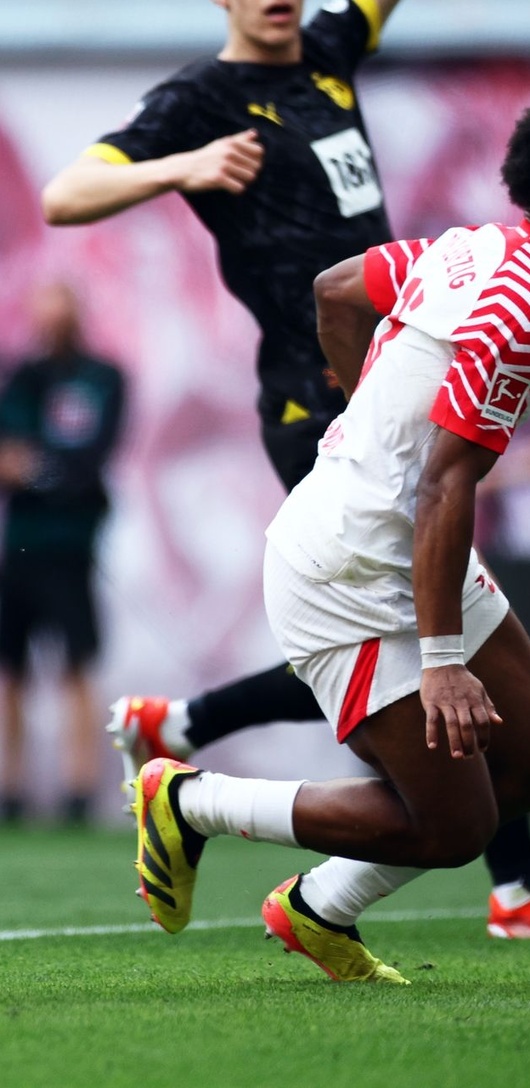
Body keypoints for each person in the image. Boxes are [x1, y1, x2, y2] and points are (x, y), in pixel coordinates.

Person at [39, 0, 530, 928]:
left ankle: (192, 733)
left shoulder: (328, 52)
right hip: (318, 407)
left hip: (381, 374)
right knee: (386, 619)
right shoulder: (200, 100)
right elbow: (64, 194)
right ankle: (501, 877)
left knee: (428, 624)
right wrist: (183, 166)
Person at [132, 107, 530, 982]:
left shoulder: (477, 249)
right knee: (457, 827)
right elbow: (443, 485)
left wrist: (362, 411)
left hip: (399, 541)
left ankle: (317, 907)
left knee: (526, 752)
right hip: (349, 569)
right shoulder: (517, 312)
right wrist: (441, 662)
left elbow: (337, 289)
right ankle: (192, 799)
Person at [0, 282, 125, 825]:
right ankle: (9, 789)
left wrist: (37, 469)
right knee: (10, 667)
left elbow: (90, 457)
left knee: (77, 663)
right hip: (18, 541)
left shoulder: (102, 378)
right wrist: (45, 468)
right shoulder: (19, 377)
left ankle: (79, 786)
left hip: (71, 542)